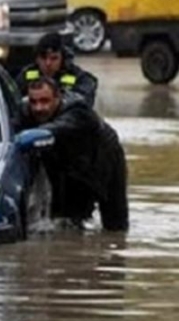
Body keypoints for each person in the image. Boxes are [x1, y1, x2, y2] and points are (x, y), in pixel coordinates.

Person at [22, 76, 129, 231]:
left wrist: (36, 133)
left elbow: (61, 126)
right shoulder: (24, 110)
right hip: (64, 163)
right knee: (64, 220)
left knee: (115, 223)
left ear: (58, 98)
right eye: (34, 102)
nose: (39, 108)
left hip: (103, 158)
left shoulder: (78, 109)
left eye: (45, 101)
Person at [15, 32, 99, 108]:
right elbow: (13, 98)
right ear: (37, 59)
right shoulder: (27, 74)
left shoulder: (77, 77)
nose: (48, 63)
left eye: (54, 58)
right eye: (43, 58)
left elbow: (84, 100)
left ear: (62, 59)